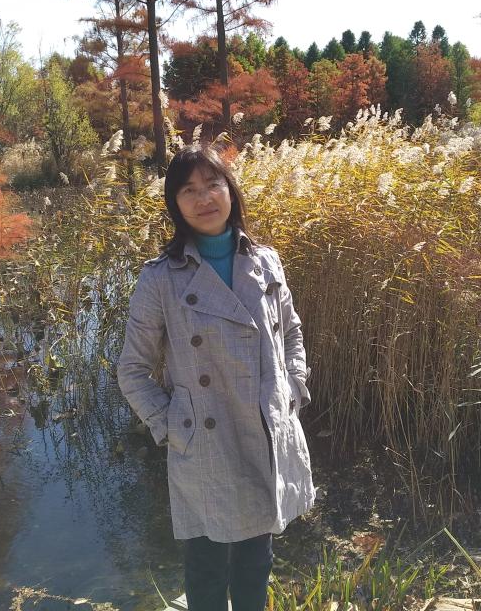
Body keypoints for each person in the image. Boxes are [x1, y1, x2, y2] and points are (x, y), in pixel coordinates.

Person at [117, 144, 315, 611]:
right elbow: (132, 369)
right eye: (189, 190)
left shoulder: (266, 260)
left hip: (265, 430)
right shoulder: (160, 278)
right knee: (206, 569)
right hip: (205, 441)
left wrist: (292, 389)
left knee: (256, 562)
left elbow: (291, 332)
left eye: (213, 184)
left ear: (230, 190)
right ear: (175, 203)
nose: (204, 198)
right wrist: (171, 426)